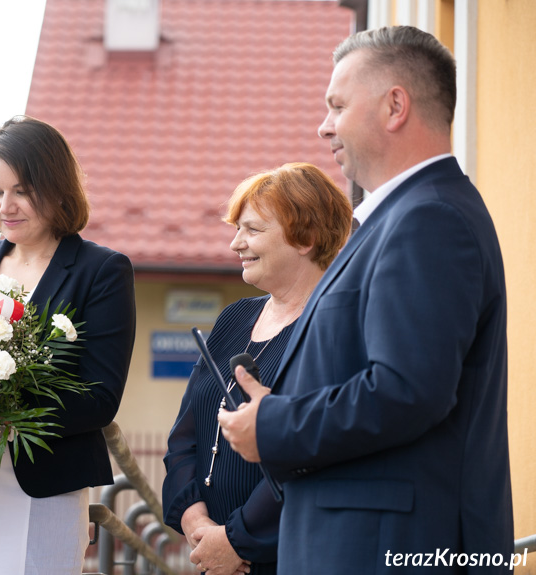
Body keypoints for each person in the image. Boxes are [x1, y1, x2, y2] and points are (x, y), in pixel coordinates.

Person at [218, 26, 513, 574]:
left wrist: (274, 426)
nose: (323, 125)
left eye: (337, 105)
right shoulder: (403, 218)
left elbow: (408, 390)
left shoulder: (430, 219)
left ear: (394, 105)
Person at [0, 115, 136, 574]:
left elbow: (99, 398)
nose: (6, 206)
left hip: (44, 486)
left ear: (57, 189)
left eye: (22, 191)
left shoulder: (103, 270)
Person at [162, 163, 352, 575]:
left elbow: (314, 458)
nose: (235, 244)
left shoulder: (334, 328)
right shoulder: (232, 319)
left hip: (284, 558)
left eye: (252, 230)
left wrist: (236, 541)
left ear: (306, 238)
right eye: (236, 229)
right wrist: (197, 524)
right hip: (210, 553)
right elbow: (184, 436)